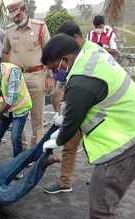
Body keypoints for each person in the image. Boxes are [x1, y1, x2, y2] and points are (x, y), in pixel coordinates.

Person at [41, 34, 135, 219]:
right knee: (100, 193)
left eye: (55, 68)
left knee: (101, 197)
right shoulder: (90, 54)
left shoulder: (82, 79)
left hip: (130, 141)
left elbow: (71, 123)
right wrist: (65, 113)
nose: (55, 74)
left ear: (65, 60)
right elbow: (78, 104)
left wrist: (55, 141)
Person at [3, 0, 53, 148]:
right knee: (18, 116)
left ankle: (36, 150)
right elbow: (5, 53)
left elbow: (49, 52)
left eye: (17, 15)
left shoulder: (40, 27)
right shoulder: (9, 30)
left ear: (24, 9)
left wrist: (49, 77)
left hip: (37, 77)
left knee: (37, 118)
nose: (15, 18)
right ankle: (22, 150)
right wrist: (5, 78)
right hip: (16, 78)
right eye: (12, 16)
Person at [44, 22, 85, 194]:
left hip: (96, 112)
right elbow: (65, 84)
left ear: (76, 39)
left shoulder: (89, 60)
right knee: (70, 145)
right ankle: (65, 182)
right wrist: (62, 107)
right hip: (77, 106)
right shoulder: (71, 61)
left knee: (101, 150)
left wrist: (60, 134)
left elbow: (82, 90)